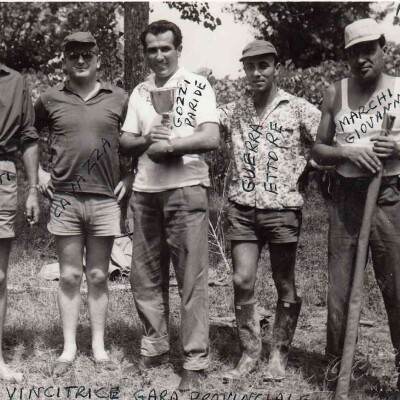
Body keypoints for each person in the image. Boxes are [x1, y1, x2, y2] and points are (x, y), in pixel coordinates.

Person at [120, 20, 219, 391]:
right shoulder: (141, 91)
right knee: (144, 276)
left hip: (186, 188)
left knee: (190, 279)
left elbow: (211, 137)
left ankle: (194, 361)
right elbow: (125, 140)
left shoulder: (197, 85)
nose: (159, 55)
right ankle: (155, 347)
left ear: (178, 49)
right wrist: (148, 140)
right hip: (145, 193)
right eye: (152, 49)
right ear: (145, 52)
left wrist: (172, 147)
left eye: (165, 48)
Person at [219, 40, 320, 381]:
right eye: (250, 66)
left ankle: (279, 353)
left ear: (277, 67)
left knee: (284, 282)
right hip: (243, 209)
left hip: (282, 210)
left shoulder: (297, 108)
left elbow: (328, 138)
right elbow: (202, 123)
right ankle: (250, 351)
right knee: (241, 279)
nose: (257, 72)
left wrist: (308, 168)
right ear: (244, 70)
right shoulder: (234, 109)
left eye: (264, 65)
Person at [34, 32, 129, 376]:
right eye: (73, 54)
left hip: (105, 199)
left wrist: (130, 178)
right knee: (71, 275)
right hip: (65, 200)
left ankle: (99, 348)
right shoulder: (49, 99)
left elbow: (135, 142)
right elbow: (26, 136)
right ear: (65, 59)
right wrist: (39, 174)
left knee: (100, 274)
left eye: (87, 54)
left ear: (98, 58)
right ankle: (69, 347)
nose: (80, 60)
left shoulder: (119, 97)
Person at [312, 18, 400, 387]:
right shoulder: (336, 93)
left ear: (383, 49)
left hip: (390, 195)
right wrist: (345, 153)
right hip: (347, 198)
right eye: (354, 53)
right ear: (347, 58)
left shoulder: (398, 89)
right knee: (340, 290)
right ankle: (338, 369)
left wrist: (397, 147)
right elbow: (317, 148)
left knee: (396, 285)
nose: (362, 59)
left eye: (369, 50)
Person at [0, 63, 40, 382]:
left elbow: (28, 138)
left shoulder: (15, 82)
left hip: (3, 174)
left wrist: (34, 190)